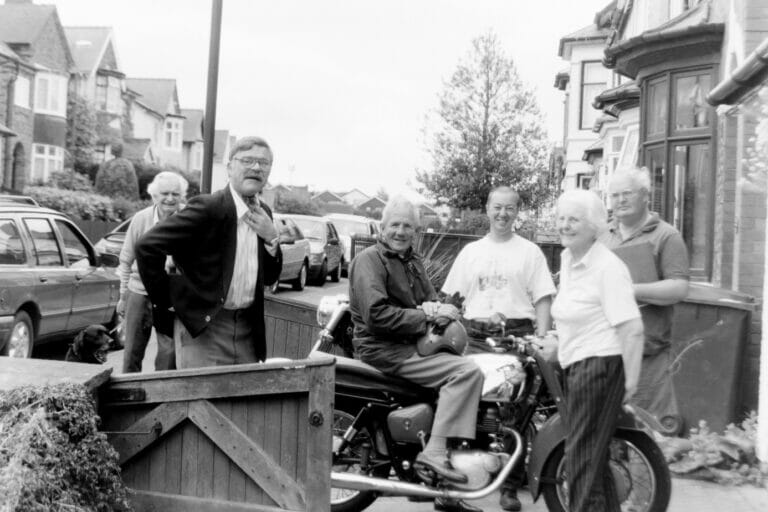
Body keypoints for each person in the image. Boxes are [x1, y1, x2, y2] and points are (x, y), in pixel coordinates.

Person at [349, 195, 484, 512]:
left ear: (416, 230)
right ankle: (434, 452)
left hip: (409, 344)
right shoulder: (370, 260)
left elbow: (429, 299)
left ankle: (443, 491)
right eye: (394, 224)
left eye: (407, 225)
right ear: (382, 228)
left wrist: (440, 308)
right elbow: (377, 316)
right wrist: (425, 316)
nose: (400, 231)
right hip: (384, 349)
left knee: (463, 380)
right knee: (466, 373)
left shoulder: (412, 260)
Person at [441, 185, 556, 511]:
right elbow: (451, 300)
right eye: (497, 207)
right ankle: (455, 484)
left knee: (513, 415)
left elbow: (543, 298)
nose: (503, 214)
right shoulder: (471, 252)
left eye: (509, 208)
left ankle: (509, 486)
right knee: (466, 410)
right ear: (488, 209)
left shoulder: (530, 252)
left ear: (517, 212)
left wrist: (541, 340)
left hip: (515, 338)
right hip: (475, 338)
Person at [136, 136, 282, 369]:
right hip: (205, 330)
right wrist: (169, 299)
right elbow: (147, 246)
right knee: (201, 403)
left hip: (247, 329)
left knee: (240, 403)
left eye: (264, 163)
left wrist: (272, 237)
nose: (256, 167)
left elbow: (272, 276)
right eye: (248, 160)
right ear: (230, 167)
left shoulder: (264, 214)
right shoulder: (208, 208)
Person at [551, 189, 644, 512]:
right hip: (579, 365)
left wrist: (630, 384)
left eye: (574, 219)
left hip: (599, 367)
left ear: (594, 225)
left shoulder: (607, 267)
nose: (565, 225)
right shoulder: (569, 258)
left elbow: (632, 329)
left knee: (581, 462)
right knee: (592, 461)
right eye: (561, 218)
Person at [601, 167, 690, 429]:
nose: (620, 200)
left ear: (645, 195)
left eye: (626, 193)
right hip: (606, 353)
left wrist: (630, 290)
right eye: (614, 195)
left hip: (647, 356)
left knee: (649, 433)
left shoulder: (666, 236)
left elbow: (679, 288)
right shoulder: (604, 237)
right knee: (611, 434)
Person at [118, 171, 188, 373]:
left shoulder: (187, 219)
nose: (170, 198)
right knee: (132, 352)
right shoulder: (141, 220)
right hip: (139, 292)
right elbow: (125, 260)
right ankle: (129, 400)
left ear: (182, 196)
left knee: (169, 354)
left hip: (170, 295)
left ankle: (161, 400)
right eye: (165, 193)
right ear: (154, 196)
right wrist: (123, 295)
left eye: (176, 194)